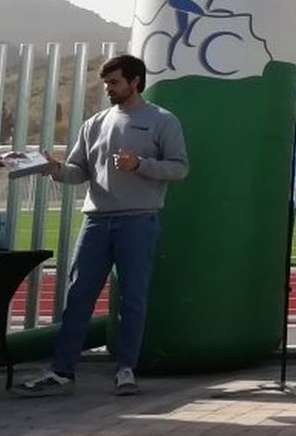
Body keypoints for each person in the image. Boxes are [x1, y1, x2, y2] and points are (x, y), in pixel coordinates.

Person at [14, 54, 189, 396]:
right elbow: (78, 172)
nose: (109, 89)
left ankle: (126, 370)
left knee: (132, 299)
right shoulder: (94, 123)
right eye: (106, 83)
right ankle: (62, 371)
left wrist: (140, 163)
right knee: (78, 296)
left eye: (115, 82)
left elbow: (179, 168)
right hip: (95, 221)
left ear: (135, 81)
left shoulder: (162, 121)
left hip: (138, 220)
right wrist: (54, 169)